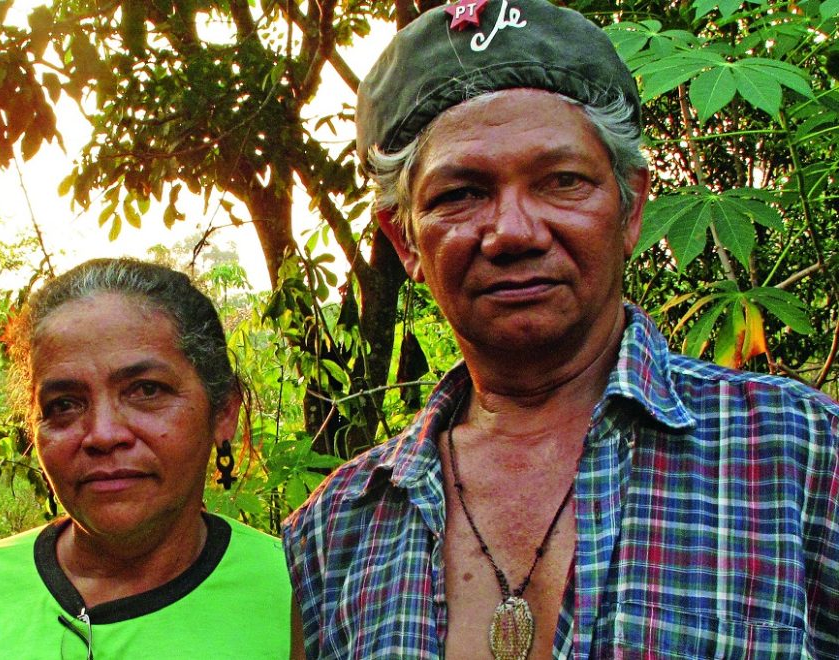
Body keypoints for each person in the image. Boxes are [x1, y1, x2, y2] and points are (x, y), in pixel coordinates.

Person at [281, 1, 839, 658]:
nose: (513, 231)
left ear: (630, 209)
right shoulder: (332, 535)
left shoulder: (802, 459)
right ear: (404, 240)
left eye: (561, 181)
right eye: (461, 193)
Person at [0, 258, 299, 659]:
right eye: (64, 405)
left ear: (223, 410)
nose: (103, 435)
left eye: (146, 390)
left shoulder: (307, 596)